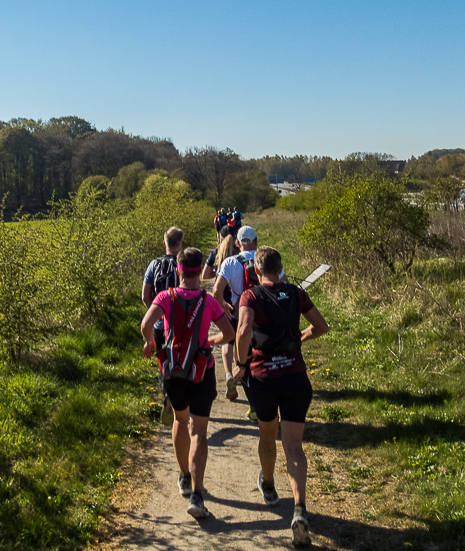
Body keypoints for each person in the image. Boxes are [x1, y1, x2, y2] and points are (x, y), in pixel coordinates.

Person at [233, 245, 329, 547]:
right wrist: (299, 339)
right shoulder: (296, 293)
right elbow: (321, 326)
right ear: (281, 268)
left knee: (267, 436)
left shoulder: (251, 295)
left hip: (263, 379)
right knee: (295, 447)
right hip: (295, 378)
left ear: (257, 271)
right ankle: (299, 509)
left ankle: (270, 486)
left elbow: (244, 330)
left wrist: (241, 363)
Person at [141, 247, 235, 520]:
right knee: (200, 432)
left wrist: (150, 343)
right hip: (201, 371)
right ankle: (197, 494)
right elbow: (228, 333)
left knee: (180, 421)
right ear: (198, 272)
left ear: (179, 270)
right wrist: (211, 342)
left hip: (173, 371)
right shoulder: (210, 302)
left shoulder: (165, 297)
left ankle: (183, 476)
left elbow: (147, 324)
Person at [213, 225, 282, 404]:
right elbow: (284, 284)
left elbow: (216, 290)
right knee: (263, 356)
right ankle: (264, 397)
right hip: (265, 315)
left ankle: (249, 394)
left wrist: (223, 304)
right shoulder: (265, 260)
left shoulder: (230, 262)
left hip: (240, 315)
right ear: (256, 241)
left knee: (242, 358)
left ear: (237, 243)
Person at [142, 227, 184, 426]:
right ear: (182, 244)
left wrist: (155, 311)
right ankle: (182, 399)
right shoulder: (185, 264)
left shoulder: (154, 264)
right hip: (182, 323)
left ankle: (168, 392)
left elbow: (145, 295)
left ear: (163, 244)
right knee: (183, 359)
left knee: (163, 361)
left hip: (159, 324)